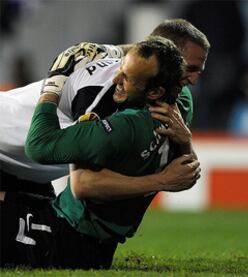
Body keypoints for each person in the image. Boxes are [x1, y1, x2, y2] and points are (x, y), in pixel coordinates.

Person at [1, 36, 199, 269]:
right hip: (89, 239)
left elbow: (42, 148)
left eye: (127, 78)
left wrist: (54, 83)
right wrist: (186, 143)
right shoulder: (180, 107)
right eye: (121, 69)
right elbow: (187, 174)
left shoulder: (121, 128)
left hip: (64, 238)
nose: (116, 78)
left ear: (155, 92)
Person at [0, 18, 210, 199]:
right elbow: (83, 183)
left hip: (27, 172)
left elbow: (183, 173)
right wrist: (160, 181)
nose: (193, 80)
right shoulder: (100, 89)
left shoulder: (173, 96)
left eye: (198, 71)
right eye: (189, 69)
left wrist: (185, 140)